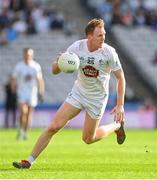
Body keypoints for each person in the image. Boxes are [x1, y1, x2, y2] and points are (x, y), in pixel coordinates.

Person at [13, 18, 126, 169]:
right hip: (78, 93)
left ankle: (117, 126)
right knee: (54, 126)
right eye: (100, 35)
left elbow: (121, 78)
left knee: (88, 139)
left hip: (97, 99)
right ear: (89, 36)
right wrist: (60, 62)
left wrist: (120, 105)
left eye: (104, 34)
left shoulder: (109, 52)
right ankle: (29, 161)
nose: (103, 38)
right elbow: (54, 71)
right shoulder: (77, 47)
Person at [11, 48, 45, 140]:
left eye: (29, 55)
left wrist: (41, 92)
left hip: (32, 93)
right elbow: (14, 79)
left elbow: (40, 79)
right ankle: (21, 130)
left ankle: (25, 132)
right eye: (26, 54)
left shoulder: (36, 66)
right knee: (23, 111)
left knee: (29, 114)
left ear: (32, 55)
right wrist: (13, 91)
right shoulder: (19, 66)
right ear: (24, 55)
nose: (28, 56)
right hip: (21, 92)